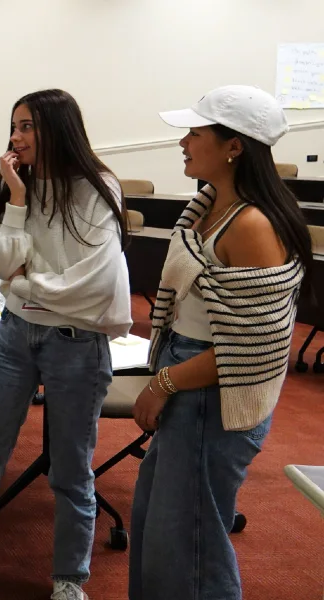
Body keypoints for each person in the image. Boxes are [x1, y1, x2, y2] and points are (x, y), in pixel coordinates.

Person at [0, 89, 132, 600]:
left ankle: (69, 579)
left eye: (28, 126)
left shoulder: (99, 187)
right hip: (14, 335)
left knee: (72, 469)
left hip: (78, 344)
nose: (16, 137)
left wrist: (26, 285)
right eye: (14, 126)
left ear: (59, 127)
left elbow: (95, 284)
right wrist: (14, 198)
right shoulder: (21, 186)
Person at [129, 85, 312, 600]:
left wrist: (164, 382)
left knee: (190, 546)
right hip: (193, 379)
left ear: (235, 145)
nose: (183, 142)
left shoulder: (250, 225)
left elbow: (256, 349)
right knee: (161, 531)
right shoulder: (208, 207)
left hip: (212, 394)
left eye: (195, 132)